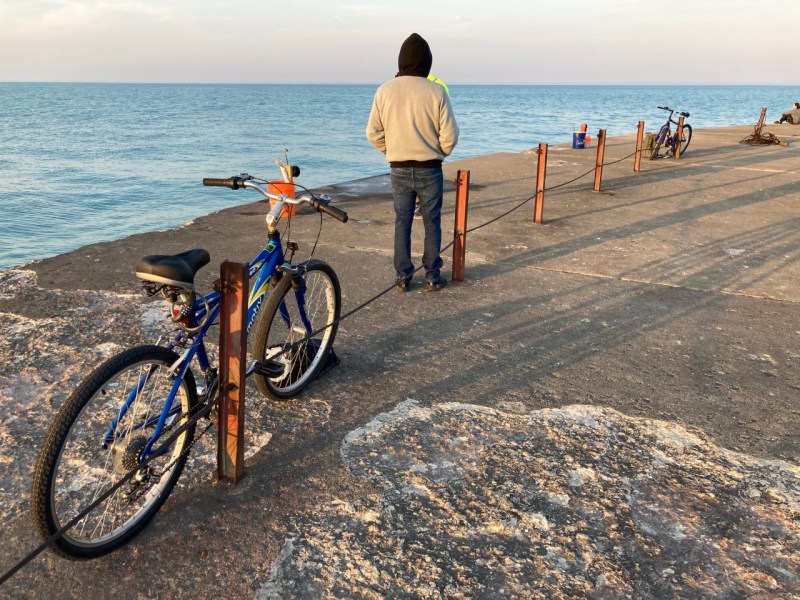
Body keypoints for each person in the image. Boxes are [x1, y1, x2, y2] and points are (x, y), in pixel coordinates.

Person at [366, 33, 459, 292]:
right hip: (430, 167)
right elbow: (450, 136)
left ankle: (403, 276)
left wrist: (392, 151)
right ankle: (432, 275)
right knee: (432, 221)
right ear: (427, 62)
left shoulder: (384, 91)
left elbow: (372, 133)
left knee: (402, 221)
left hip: (399, 167)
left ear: (401, 61)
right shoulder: (436, 91)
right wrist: (440, 151)